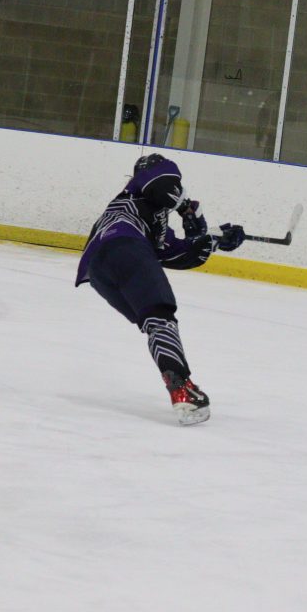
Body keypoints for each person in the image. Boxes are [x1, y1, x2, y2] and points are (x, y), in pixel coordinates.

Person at [75, 153, 245, 425]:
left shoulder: (153, 221)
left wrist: (213, 240)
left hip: (100, 271)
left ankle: (180, 385)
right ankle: (181, 389)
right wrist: (185, 205)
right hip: (124, 247)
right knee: (160, 318)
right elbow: (161, 183)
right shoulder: (134, 194)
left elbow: (174, 254)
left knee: (156, 321)